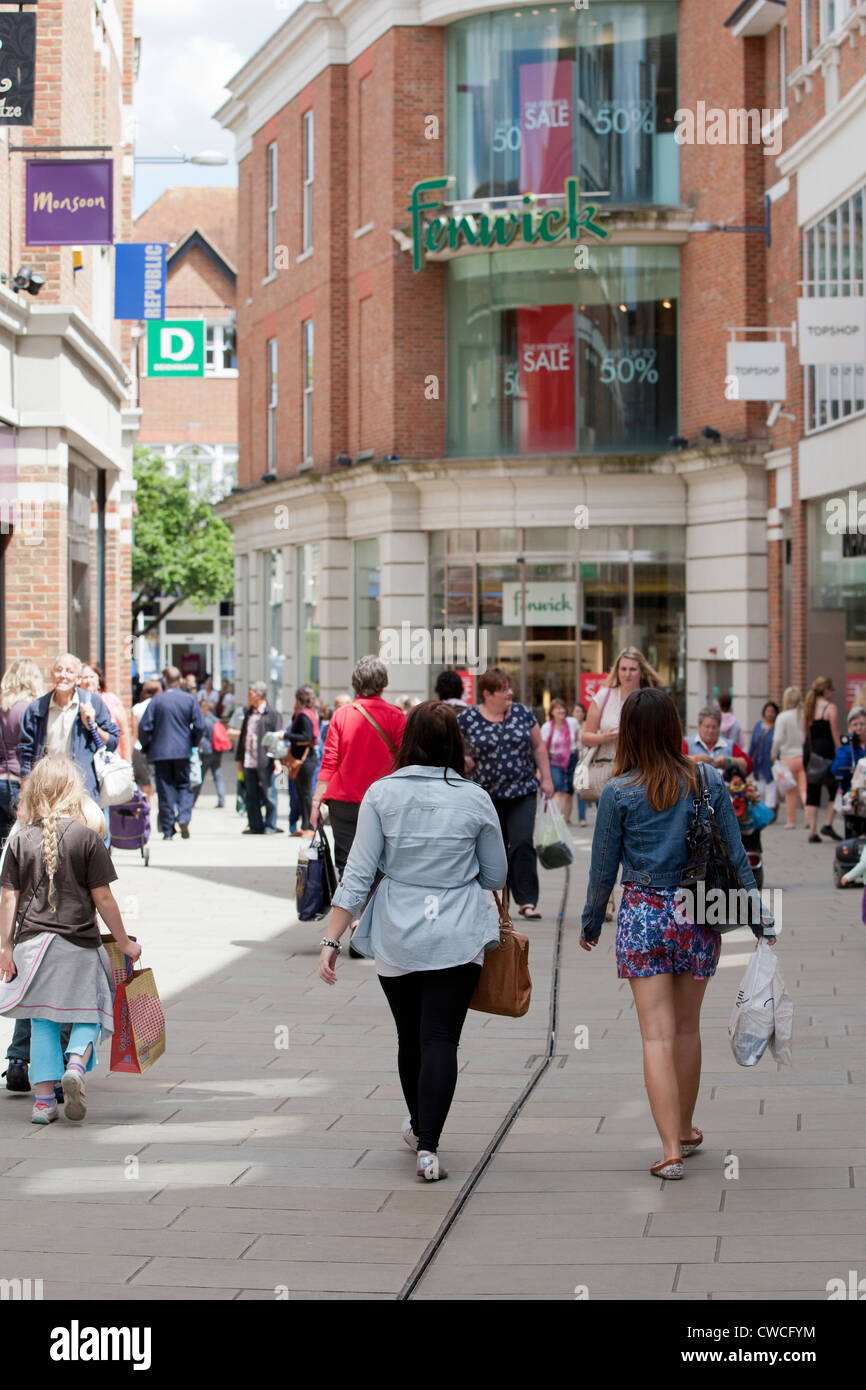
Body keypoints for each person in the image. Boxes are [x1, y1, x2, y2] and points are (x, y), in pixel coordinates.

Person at [580, 688, 775, 1180]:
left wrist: (589, 923)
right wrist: (758, 919)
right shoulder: (706, 778)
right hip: (699, 912)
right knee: (688, 1028)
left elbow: (603, 869)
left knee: (656, 1035)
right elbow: (736, 854)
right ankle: (686, 1128)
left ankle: (668, 1148)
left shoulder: (618, 790)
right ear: (673, 727)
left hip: (644, 913)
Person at [318, 701, 507, 1182]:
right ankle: (429, 1146)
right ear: (454, 745)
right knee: (441, 1037)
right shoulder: (475, 798)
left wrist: (332, 940)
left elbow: (358, 873)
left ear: (408, 742)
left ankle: (419, 1125)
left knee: (409, 1037)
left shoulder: (381, 794)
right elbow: (496, 874)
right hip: (458, 935)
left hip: (398, 933)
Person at [0, 757, 141, 1124]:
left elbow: (8, 899)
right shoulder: (87, 839)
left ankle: (44, 1104)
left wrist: (5, 947)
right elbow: (104, 898)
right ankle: (76, 1063)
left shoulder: (19, 841)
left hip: (32, 947)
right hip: (79, 945)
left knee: (42, 1022)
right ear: (72, 793)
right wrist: (124, 943)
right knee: (93, 1008)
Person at [458, 667, 553, 920]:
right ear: (488, 694)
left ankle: (526, 900)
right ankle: (494, 898)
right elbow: (456, 749)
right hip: (485, 795)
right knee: (492, 847)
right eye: (503, 689)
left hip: (522, 791)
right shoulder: (468, 719)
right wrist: (464, 759)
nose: (510, 693)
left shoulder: (523, 713)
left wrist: (547, 778)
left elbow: (538, 746)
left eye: (509, 687)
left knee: (522, 842)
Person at [581, 648, 661, 918]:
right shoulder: (604, 697)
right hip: (610, 774)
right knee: (606, 839)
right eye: (623, 669)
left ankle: (636, 892)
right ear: (617, 671)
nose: (627, 674)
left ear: (641, 671)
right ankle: (607, 899)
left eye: (633, 669)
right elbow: (586, 736)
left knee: (636, 837)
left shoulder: (650, 699)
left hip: (642, 773)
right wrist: (607, 736)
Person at [310, 657, 407, 875]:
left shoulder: (341, 715)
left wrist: (316, 801)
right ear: (383, 684)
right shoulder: (397, 717)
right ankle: (377, 908)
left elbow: (329, 761)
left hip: (344, 802)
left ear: (356, 684)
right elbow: (406, 761)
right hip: (385, 802)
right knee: (383, 866)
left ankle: (351, 908)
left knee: (348, 866)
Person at [18, 654, 120, 808]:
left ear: (78, 678)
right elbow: (26, 754)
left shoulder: (93, 703)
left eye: (69, 671)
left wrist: (93, 725)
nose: (63, 675)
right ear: (52, 674)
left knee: (85, 832)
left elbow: (112, 742)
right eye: (59, 670)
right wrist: (25, 799)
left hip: (83, 789)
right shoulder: (37, 708)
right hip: (48, 789)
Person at [137, 666, 206, 840]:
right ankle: (183, 817)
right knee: (184, 786)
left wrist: (147, 746)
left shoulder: (157, 701)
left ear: (165, 680)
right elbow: (200, 726)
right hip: (182, 751)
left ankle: (168, 830)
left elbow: (145, 727)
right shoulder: (189, 700)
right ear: (180, 680)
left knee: (165, 789)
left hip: (161, 752)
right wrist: (192, 743)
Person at [0, 658, 44, 847]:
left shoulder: (3, 708)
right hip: (20, 783)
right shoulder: (29, 709)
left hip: (1, 777)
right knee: (25, 841)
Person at [236, 682, 284, 835]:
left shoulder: (273, 714)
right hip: (249, 760)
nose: (248, 697)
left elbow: (277, 738)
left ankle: (270, 825)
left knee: (270, 795)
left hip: (265, 761)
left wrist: (277, 760)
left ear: (259, 695)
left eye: (250, 693)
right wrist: (239, 759)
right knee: (251, 795)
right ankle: (255, 825)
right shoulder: (249, 712)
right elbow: (243, 737)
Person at [803, 676, 841, 844]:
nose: (832, 693)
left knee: (813, 792)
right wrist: (840, 751)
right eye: (831, 689)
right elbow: (835, 732)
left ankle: (812, 831)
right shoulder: (830, 708)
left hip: (812, 754)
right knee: (835, 789)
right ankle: (827, 824)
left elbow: (805, 734)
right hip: (827, 753)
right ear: (826, 690)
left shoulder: (809, 707)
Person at [79, 662, 132, 764]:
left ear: (99, 680)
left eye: (92, 676)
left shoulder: (110, 699)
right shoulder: (76, 702)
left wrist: (127, 759)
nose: (89, 680)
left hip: (110, 756)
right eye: (85, 677)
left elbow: (123, 731)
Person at [771, 687, 807, 829]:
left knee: (790, 791)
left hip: (787, 757)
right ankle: (809, 819)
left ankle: (791, 821)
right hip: (803, 755)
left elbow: (777, 738)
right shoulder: (803, 714)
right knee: (804, 790)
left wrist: (773, 754)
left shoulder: (782, 717)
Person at [284, 686, 318, 836]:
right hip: (303, 760)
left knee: (305, 793)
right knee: (302, 793)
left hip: (305, 760)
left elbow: (306, 738)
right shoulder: (306, 714)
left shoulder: (304, 716)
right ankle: (305, 825)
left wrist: (285, 736)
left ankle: (309, 826)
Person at [540, 699, 579, 824]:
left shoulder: (572, 723)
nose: (561, 710)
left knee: (569, 792)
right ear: (552, 712)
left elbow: (578, 739)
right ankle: (556, 821)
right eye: (558, 708)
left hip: (572, 758)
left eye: (563, 708)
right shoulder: (546, 727)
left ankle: (565, 822)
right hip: (555, 760)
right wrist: (540, 769)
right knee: (558, 790)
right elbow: (543, 749)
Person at [683, 706, 752, 776]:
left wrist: (727, 761)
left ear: (719, 727)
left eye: (714, 727)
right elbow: (676, 762)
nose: (710, 731)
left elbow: (748, 764)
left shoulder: (729, 745)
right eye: (707, 726)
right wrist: (696, 759)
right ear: (699, 726)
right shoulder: (687, 743)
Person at [130, 678, 162, 799]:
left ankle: (146, 808)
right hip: (158, 748)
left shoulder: (137, 708)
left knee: (144, 781)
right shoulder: (161, 705)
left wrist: (129, 753)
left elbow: (134, 732)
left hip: (140, 748)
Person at [193, 700, 227, 808]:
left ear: (206, 708)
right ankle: (222, 799)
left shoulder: (204, 721)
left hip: (207, 752)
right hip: (218, 751)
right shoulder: (216, 720)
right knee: (218, 775)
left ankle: (192, 800)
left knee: (200, 777)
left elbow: (202, 738)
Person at [748, 701, 779, 810]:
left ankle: (770, 811)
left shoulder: (777, 728)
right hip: (758, 760)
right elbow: (753, 743)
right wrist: (749, 757)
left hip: (770, 761)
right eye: (768, 711)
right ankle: (761, 809)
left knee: (771, 785)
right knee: (759, 786)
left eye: (772, 712)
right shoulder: (758, 726)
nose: (770, 714)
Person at [830, 706, 866, 796]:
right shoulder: (846, 748)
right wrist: (850, 745)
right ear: (849, 728)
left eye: (862, 724)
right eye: (855, 725)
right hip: (852, 791)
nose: (859, 728)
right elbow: (836, 769)